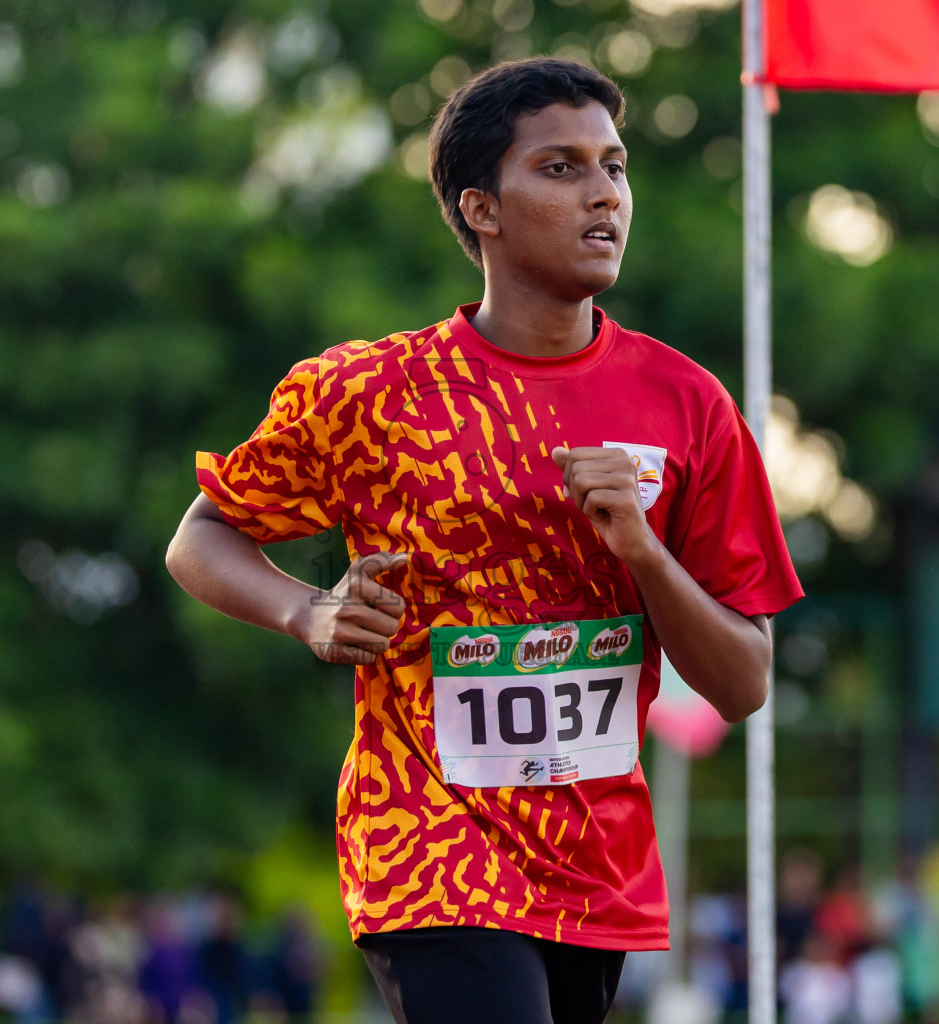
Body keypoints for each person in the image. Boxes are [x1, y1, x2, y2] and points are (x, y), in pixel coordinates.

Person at [167, 55, 802, 1024]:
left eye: (615, 167)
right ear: (482, 209)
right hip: (428, 843)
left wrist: (643, 551)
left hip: (593, 865)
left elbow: (743, 682)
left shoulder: (688, 405)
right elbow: (201, 536)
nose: (604, 194)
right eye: (561, 168)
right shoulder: (370, 395)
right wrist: (310, 612)